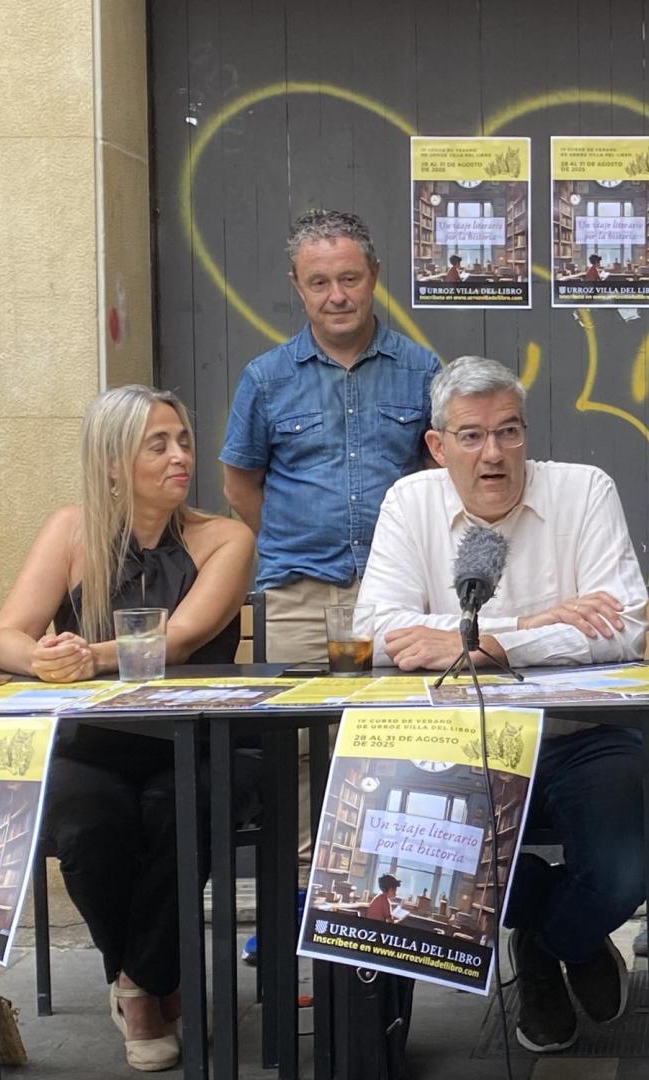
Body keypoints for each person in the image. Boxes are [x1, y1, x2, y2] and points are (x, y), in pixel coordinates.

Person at [359, 355, 648, 1053]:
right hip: (461, 742)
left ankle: (549, 942)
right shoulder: (410, 503)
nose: (494, 453)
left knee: (625, 871)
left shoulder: (584, 490)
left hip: (583, 734)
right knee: (423, 859)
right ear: (438, 446)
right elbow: (377, 634)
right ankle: (558, 937)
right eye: (472, 436)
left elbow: (621, 630)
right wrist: (535, 625)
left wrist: (483, 644)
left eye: (509, 431)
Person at [0, 385, 257, 1073]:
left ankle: (140, 986)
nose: (180, 457)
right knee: (87, 825)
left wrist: (89, 655)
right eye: (157, 445)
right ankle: (154, 979)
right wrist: (42, 657)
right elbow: (6, 637)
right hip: (93, 745)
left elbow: (182, 638)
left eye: (183, 441)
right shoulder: (71, 531)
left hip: (198, 740)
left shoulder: (226, 537)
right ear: (113, 462)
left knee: (179, 811)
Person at [220, 208, 442, 855]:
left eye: (349, 278)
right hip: (299, 596)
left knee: (397, 738)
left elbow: (439, 481)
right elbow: (240, 484)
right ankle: (300, 891)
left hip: (396, 597)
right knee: (298, 749)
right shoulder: (266, 378)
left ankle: (379, 885)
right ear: (297, 285)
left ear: (374, 275)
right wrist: (294, 542)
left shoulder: (421, 369)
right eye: (319, 282)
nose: (336, 296)